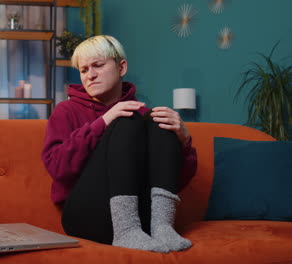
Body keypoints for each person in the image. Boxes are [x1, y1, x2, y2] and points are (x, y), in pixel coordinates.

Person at [41, 35, 197, 253]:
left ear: (121, 67)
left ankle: (163, 227)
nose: (90, 75)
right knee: (126, 120)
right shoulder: (66, 111)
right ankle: (126, 230)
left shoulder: (142, 115)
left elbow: (177, 180)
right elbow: (58, 168)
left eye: (98, 65)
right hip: (87, 214)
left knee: (158, 119)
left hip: (142, 218)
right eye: (84, 70)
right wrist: (103, 122)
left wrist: (184, 139)